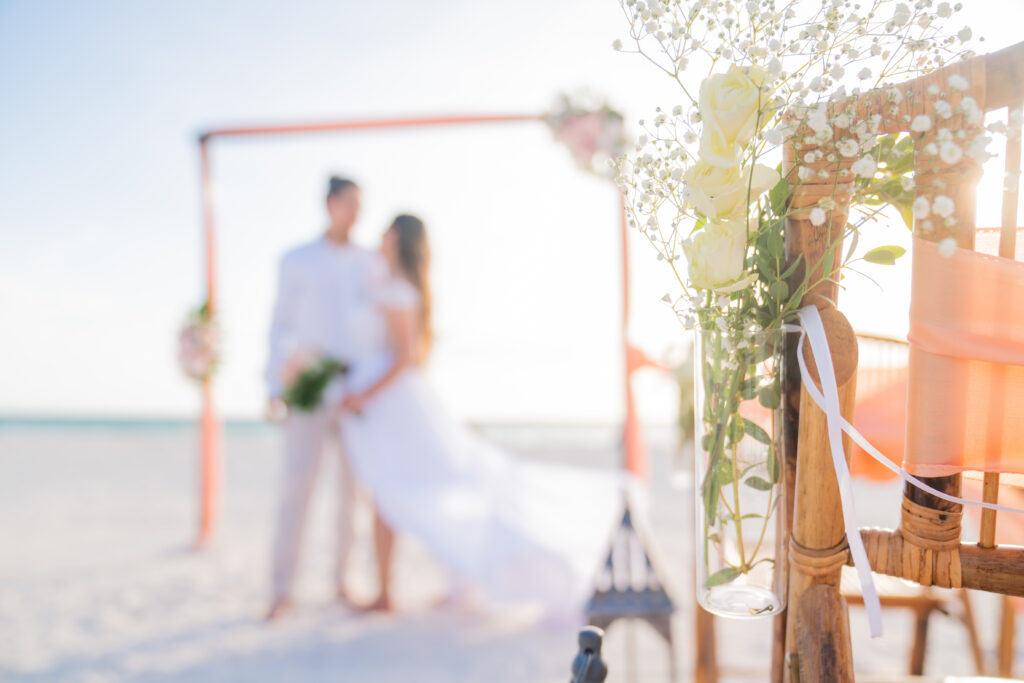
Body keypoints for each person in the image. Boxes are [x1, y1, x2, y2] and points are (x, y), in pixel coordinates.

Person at [337, 215, 624, 614]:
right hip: (390, 407)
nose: (379, 239)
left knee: (407, 491)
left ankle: (402, 590)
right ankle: (413, 588)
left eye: (386, 233)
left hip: (393, 406)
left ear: (398, 238)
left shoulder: (398, 291)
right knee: (405, 492)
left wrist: (362, 395)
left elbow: (404, 358)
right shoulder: (394, 285)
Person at [264, 176, 381, 620]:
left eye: (360, 205)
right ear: (330, 204)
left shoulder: (370, 262)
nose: (356, 213)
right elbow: (280, 325)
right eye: (349, 203)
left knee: (351, 496)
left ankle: (342, 582)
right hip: (308, 387)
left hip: (354, 391)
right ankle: (281, 589)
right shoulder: (297, 260)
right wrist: (275, 386)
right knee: (297, 490)